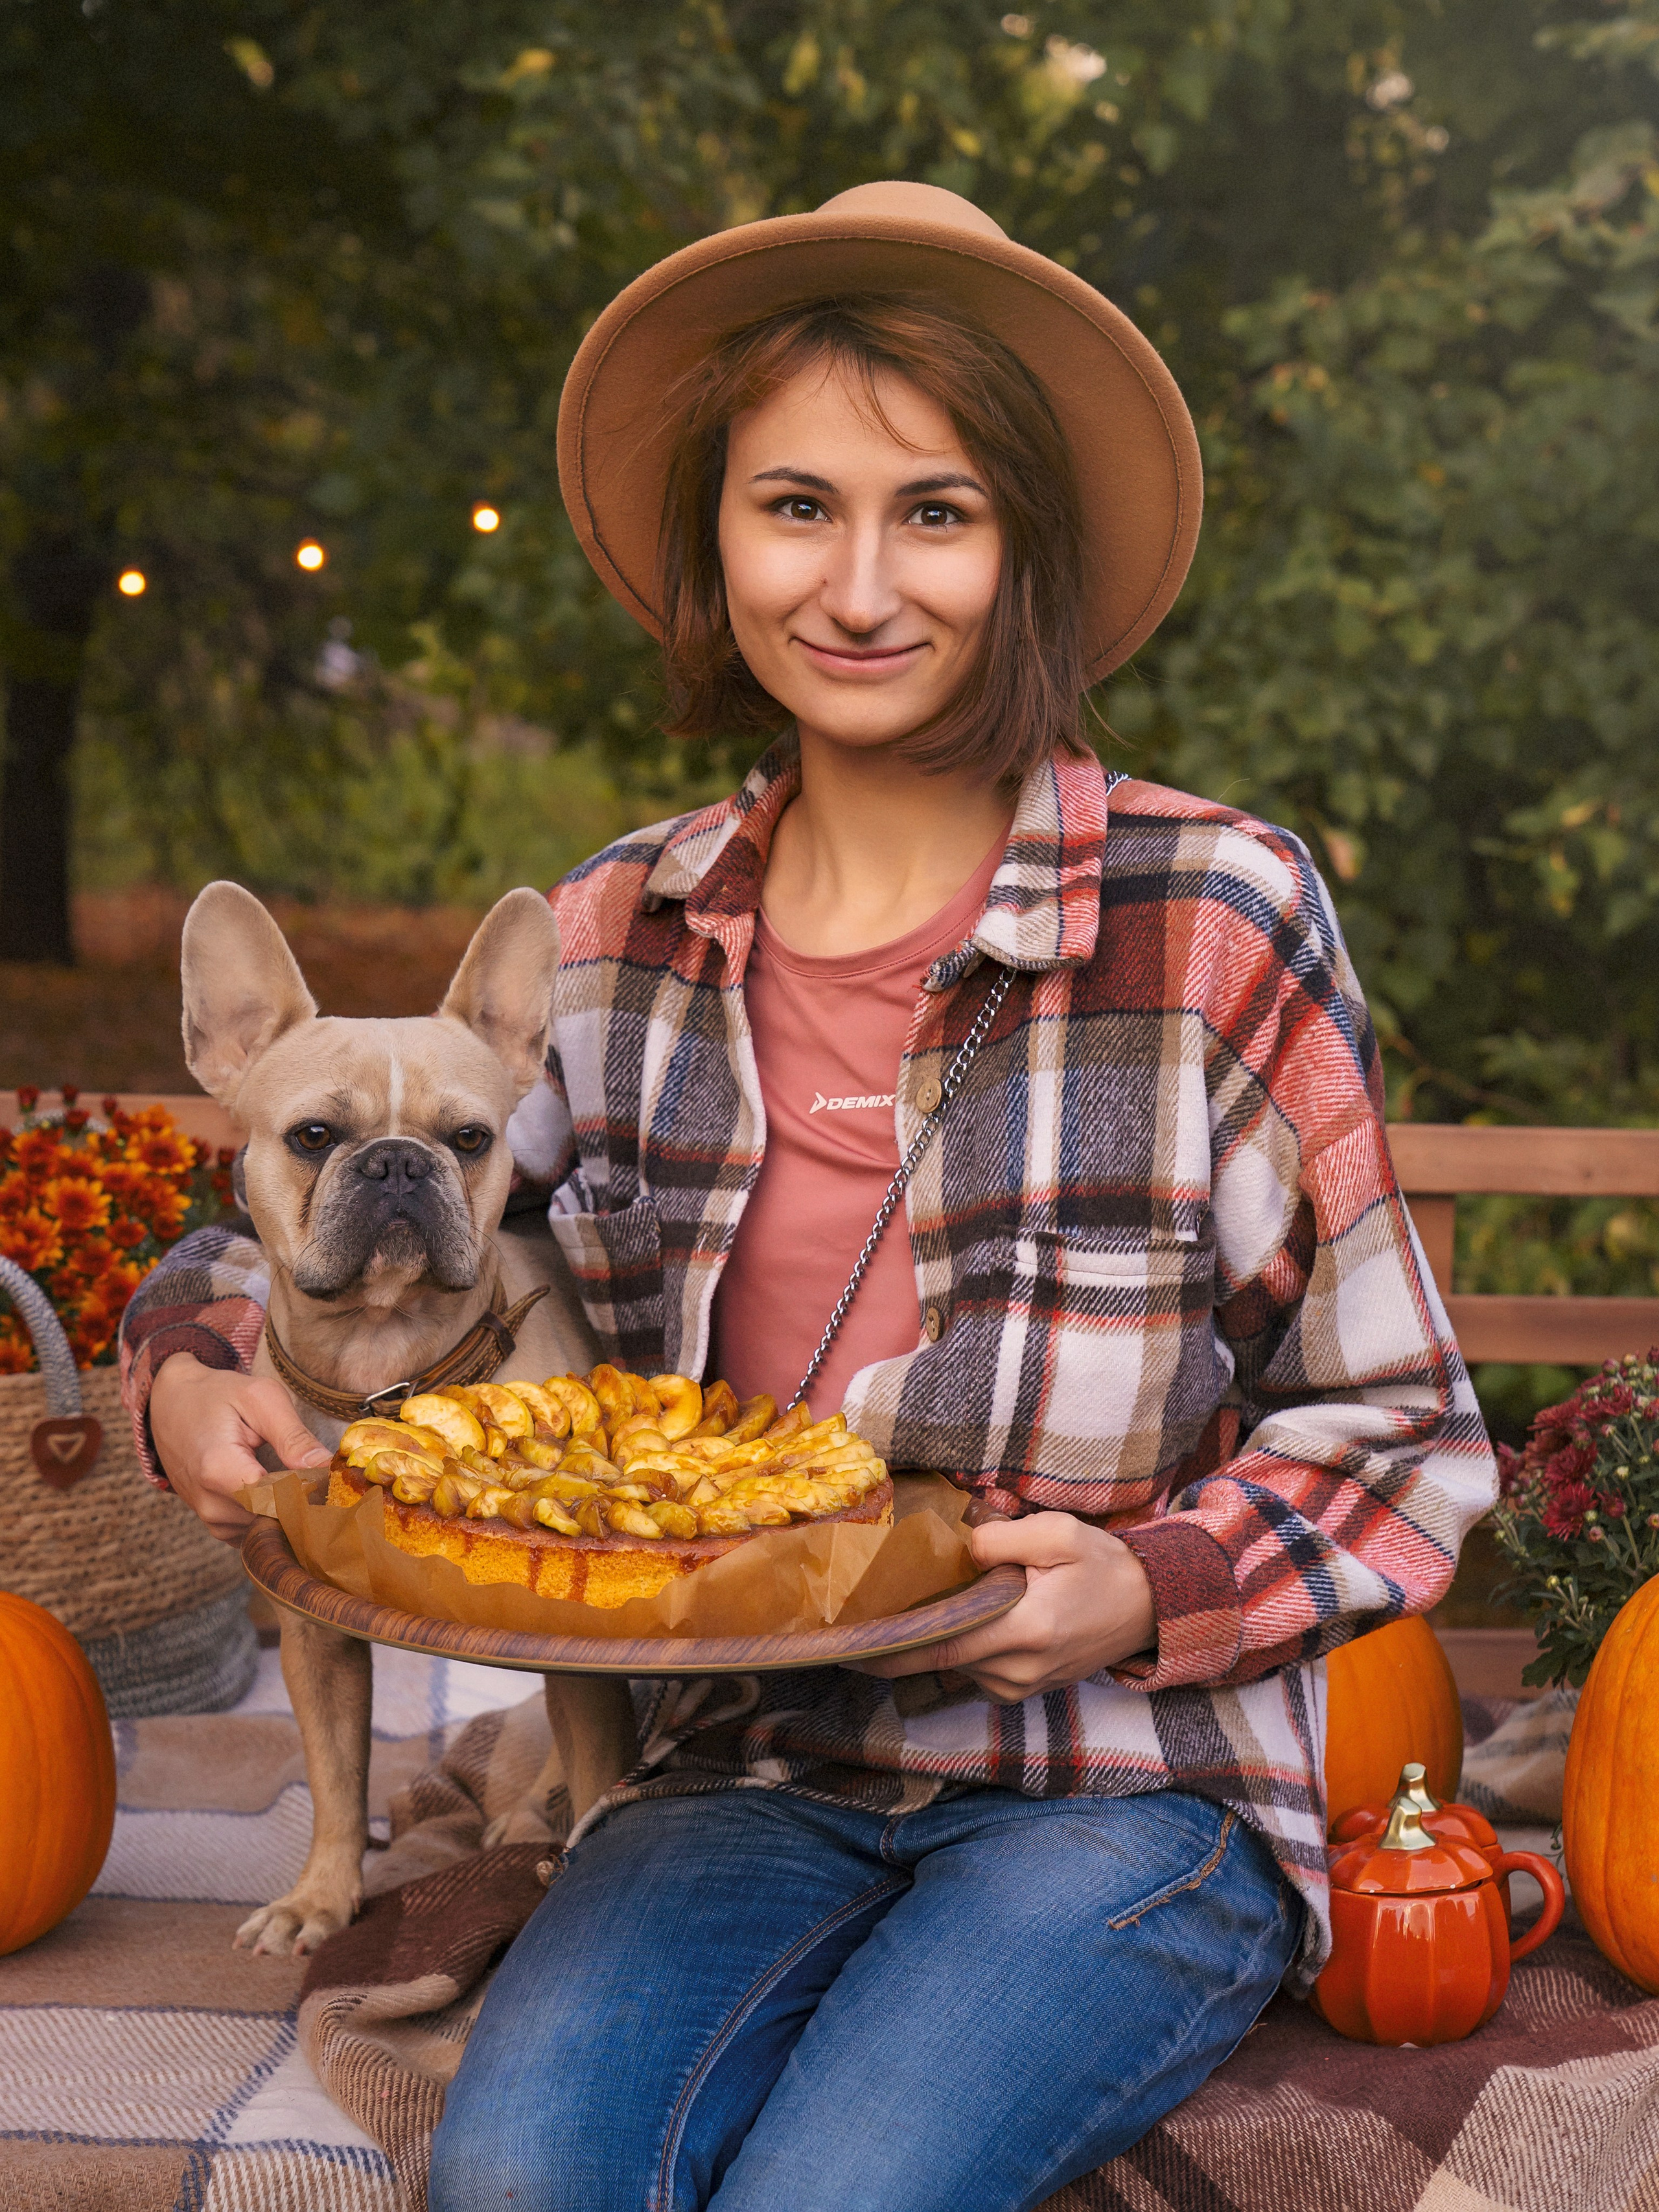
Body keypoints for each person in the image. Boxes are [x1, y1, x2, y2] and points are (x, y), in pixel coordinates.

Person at [124, 183, 1496, 2211]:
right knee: (521, 2180)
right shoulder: (621, 936)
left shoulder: (1212, 916)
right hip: (736, 1772)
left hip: (1124, 1790)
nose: (860, 585)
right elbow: (380, 1208)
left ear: (1023, 546)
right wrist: (176, 1363)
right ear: (716, 545)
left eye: (935, 511)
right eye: (795, 507)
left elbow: (1405, 1437)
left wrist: (1149, 1584)